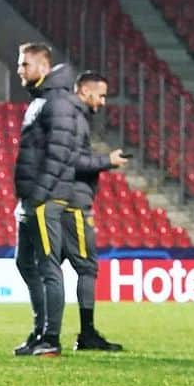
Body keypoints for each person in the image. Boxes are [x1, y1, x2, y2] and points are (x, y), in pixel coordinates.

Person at [13, 43, 80, 358]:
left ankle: (51, 338)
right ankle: (39, 331)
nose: (20, 70)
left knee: (48, 266)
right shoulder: (42, 100)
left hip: (45, 198)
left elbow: (59, 151)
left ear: (42, 66)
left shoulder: (57, 102)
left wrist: (39, 194)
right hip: (30, 199)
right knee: (24, 262)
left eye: (24, 64)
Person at [66, 70, 129, 352]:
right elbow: (71, 159)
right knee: (87, 267)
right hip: (72, 201)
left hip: (66, 198)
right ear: (84, 91)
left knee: (49, 268)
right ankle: (86, 333)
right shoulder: (73, 118)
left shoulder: (74, 116)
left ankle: (45, 333)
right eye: (100, 95)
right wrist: (107, 161)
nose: (102, 101)